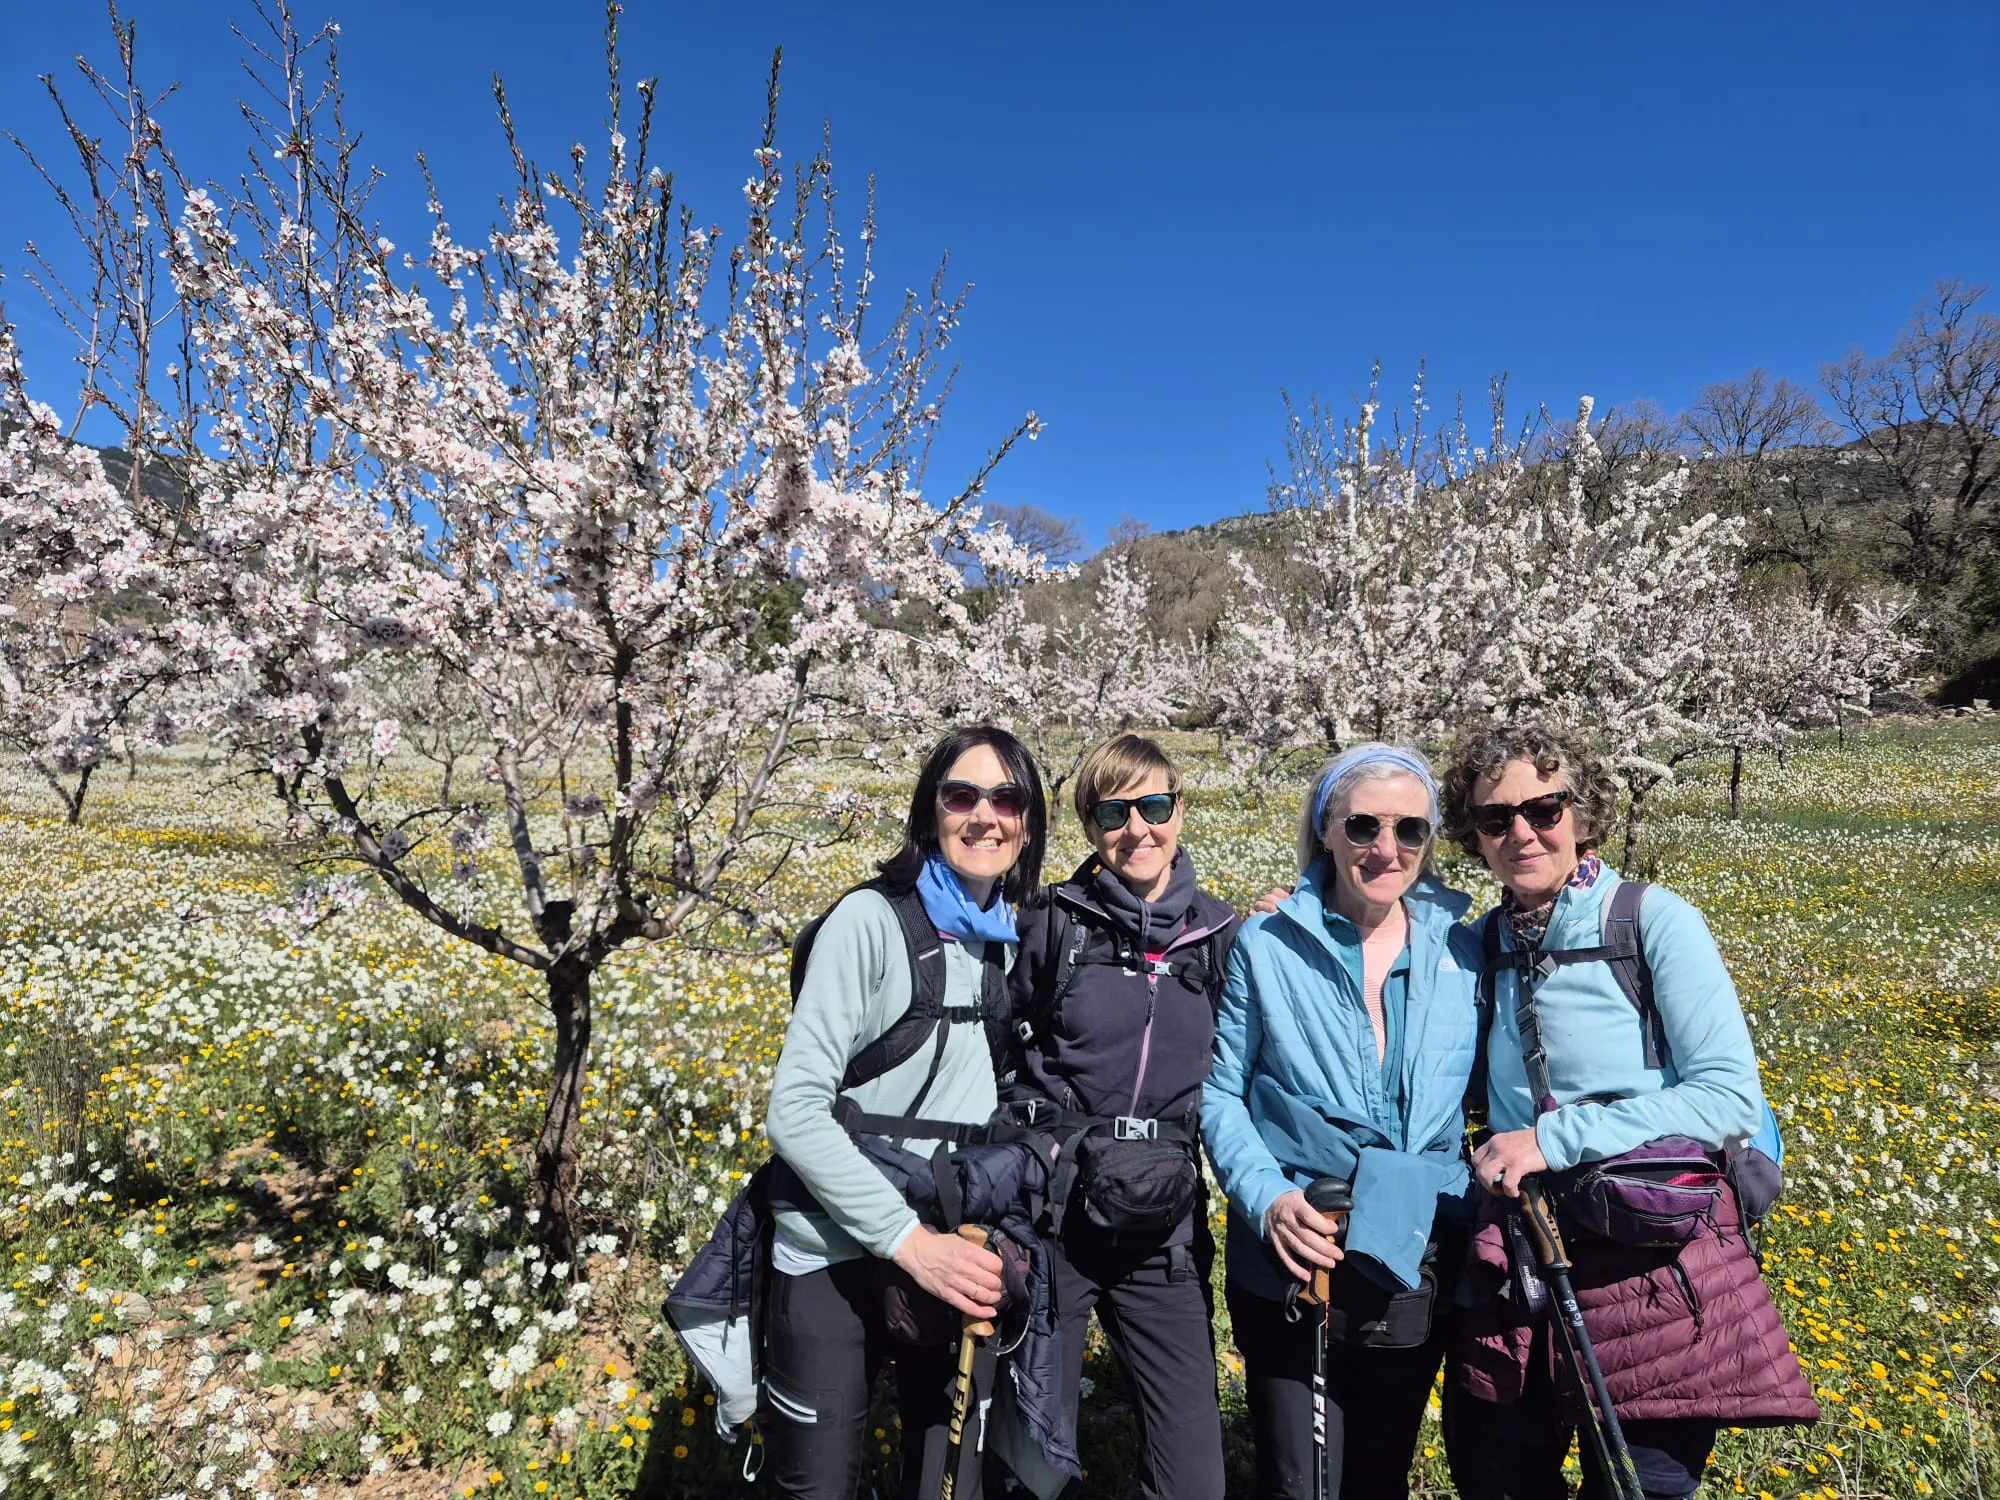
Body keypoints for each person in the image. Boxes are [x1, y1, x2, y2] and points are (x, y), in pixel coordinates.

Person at [1440, 722, 1818, 1500]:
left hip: (1650, 1266)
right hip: (1519, 1264)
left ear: (1583, 813)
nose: (1522, 833)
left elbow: (1726, 1094)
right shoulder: (1478, 943)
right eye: (1494, 818)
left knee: (1643, 1486)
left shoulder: (1650, 921)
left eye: (1545, 809)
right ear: (1471, 835)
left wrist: (1555, 1138)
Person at [760, 725, 1049, 1500]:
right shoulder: (868, 922)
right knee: (817, 1486)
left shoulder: (1010, 937)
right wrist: (908, 1244)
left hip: (950, 1242)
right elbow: (793, 1112)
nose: (985, 816)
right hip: (833, 1246)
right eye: (962, 795)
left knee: (946, 1477)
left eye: (1008, 798)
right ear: (931, 813)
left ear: (1029, 822)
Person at [1202, 744, 1482, 1500]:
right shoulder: (1266, 945)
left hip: (1411, 1246)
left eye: (1410, 830)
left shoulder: (1467, 949)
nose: (1386, 849)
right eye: (1363, 826)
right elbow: (1221, 1094)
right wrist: (1267, 1200)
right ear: (1325, 830)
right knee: (1302, 1480)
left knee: (1379, 1472)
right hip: (1297, 1250)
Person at [1004, 734, 1239, 1500]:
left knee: (1195, 1480)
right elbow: (992, 1048)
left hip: (1162, 1233)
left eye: (1154, 805)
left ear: (1180, 807)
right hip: (1054, 1226)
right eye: (1113, 810)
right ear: (1089, 824)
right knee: (1031, 1464)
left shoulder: (1222, 936)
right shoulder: (1050, 923)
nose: (1137, 828)